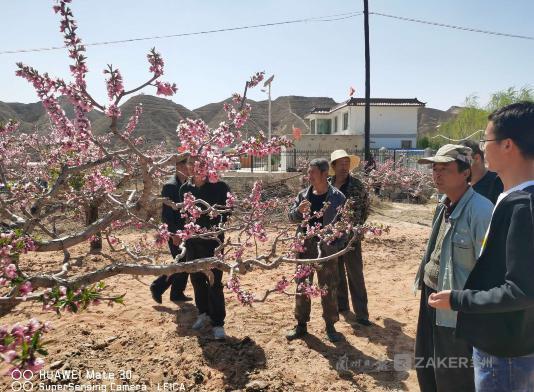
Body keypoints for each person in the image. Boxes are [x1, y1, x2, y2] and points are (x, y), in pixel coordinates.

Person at [429, 102, 534, 392]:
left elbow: (522, 290)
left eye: (486, 141)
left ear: (508, 145)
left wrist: (459, 300)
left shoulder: (523, 206)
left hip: (506, 352)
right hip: (506, 342)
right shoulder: (513, 198)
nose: (481, 150)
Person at [414, 144, 493, 392]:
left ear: (465, 173)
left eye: (445, 169)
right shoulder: (443, 205)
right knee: (426, 361)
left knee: (453, 372)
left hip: (456, 306)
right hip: (431, 294)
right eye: (435, 169)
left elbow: (488, 269)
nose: (437, 175)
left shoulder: (481, 211)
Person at [286, 158, 346, 343]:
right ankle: (301, 325)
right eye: (309, 172)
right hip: (305, 246)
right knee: (302, 285)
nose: (309, 176)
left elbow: (344, 225)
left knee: (328, 287)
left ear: (324, 174)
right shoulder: (303, 195)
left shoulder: (337, 197)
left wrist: (335, 245)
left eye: (312, 172)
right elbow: (290, 217)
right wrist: (298, 212)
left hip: (327, 248)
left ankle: (330, 325)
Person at [180, 156, 231, 340]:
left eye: (200, 164)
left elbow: (228, 210)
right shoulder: (185, 189)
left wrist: (218, 215)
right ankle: (203, 313)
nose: (196, 168)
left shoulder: (219, 186)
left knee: (214, 282)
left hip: (213, 243)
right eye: (191, 164)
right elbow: (184, 216)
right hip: (193, 242)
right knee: (196, 279)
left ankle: (218, 323)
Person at [328, 150, 372, 326]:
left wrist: (354, 229)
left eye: (347, 163)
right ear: (334, 166)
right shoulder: (327, 185)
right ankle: (342, 306)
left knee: (355, 274)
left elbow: (365, 209)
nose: (345, 166)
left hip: (351, 238)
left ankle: (362, 314)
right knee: (336, 273)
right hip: (331, 237)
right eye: (341, 163)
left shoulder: (357, 185)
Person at [150, 154, 191, 304]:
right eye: (188, 165)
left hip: (186, 231)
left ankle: (177, 293)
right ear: (179, 167)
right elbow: (166, 215)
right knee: (180, 262)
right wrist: (174, 234)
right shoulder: (170, 186)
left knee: (184, 261)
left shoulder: (187, 184)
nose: (191, 168)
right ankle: (157, 286)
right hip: (175, 232)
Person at [459, 139, 503, 204]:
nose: (458, 165)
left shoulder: (497, 182)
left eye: (462, 160)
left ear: (477, 158)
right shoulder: (461, 187)